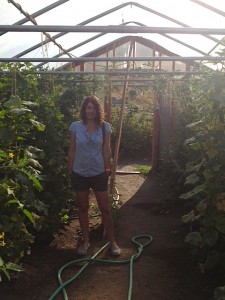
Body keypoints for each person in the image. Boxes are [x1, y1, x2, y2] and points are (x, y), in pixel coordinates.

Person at [67, 95, 121, 256]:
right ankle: (86, 241)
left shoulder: (105, 128)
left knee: (105, 209)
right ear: (84, 110)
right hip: (80, 172)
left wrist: (107, 167)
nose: (90, 111)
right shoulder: (75, 127)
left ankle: (113, 242)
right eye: (88, 108)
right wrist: (70, 170)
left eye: (93, 108)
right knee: (83, 208)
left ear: (98, 110)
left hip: (98, 172)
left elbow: (106, 149)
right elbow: (72, 149)